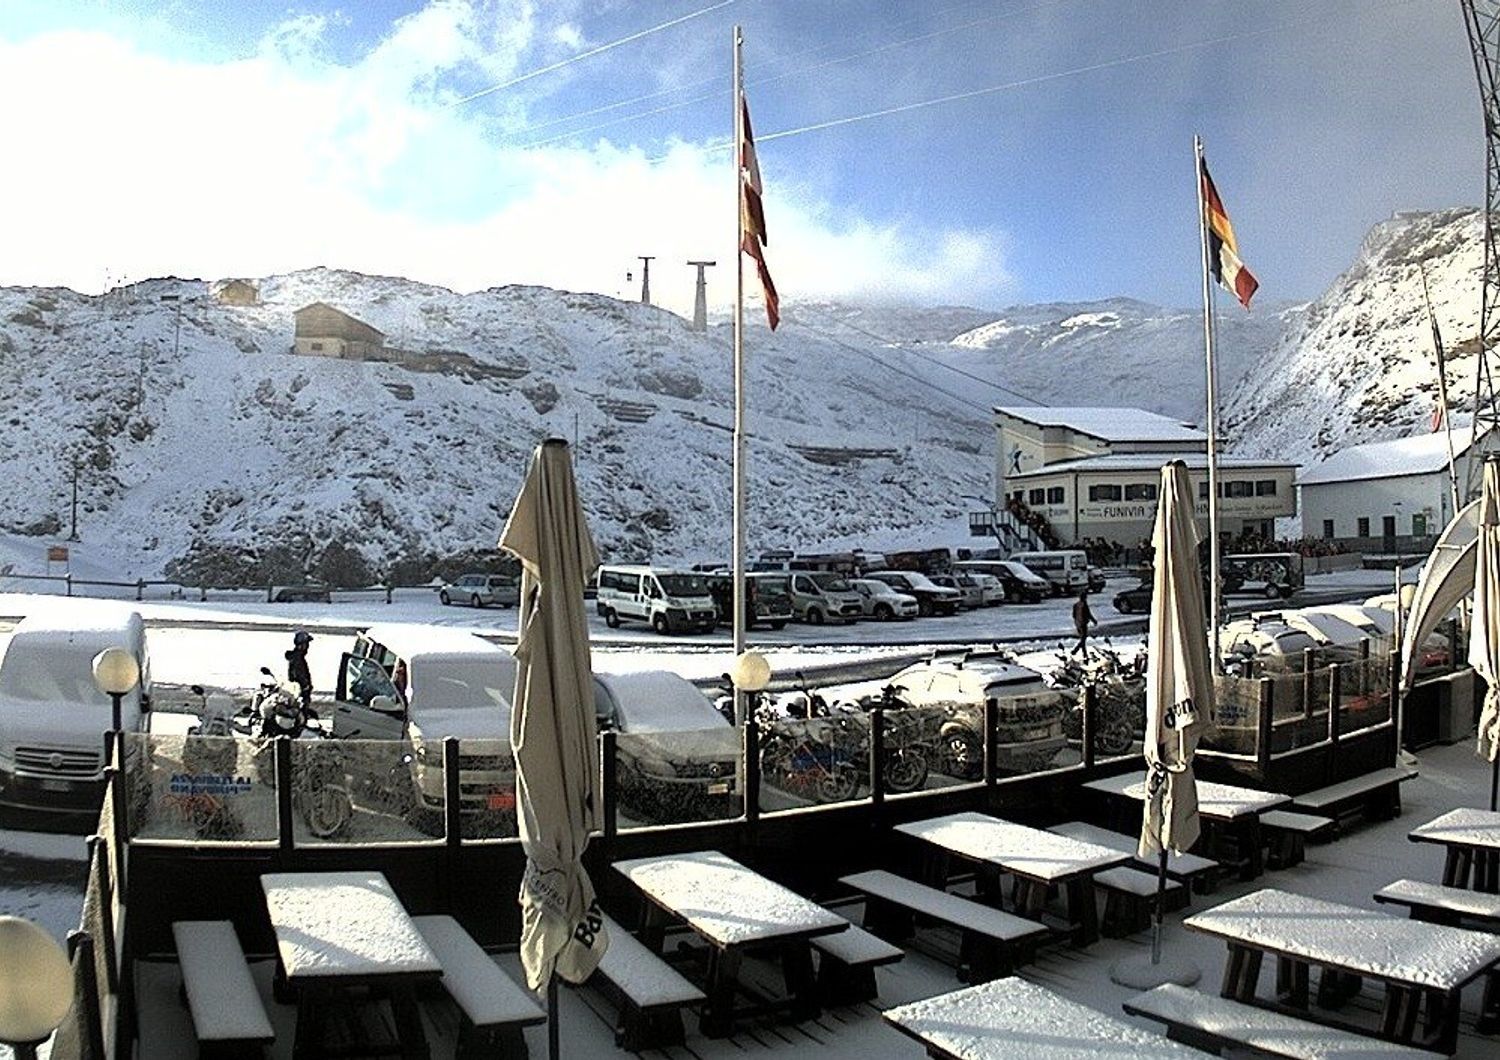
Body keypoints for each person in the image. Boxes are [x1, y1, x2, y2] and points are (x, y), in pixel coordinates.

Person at [286, 630, 313, 713]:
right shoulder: (297, 659)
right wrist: (305, 687)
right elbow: (298, 675)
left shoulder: (298, 657)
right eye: (306, 644)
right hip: (299, 693)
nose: (307, 647)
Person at [1071, 590, 1095, 656]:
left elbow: (1073, 615)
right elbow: (1088, 614)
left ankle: (1083, 653)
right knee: (1083, 639)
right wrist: (1093, 620)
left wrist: (1077, 621)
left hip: (1077, 623)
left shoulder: (1076, 605)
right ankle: (1076, 650)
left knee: (1083, 639)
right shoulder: (1084, 605)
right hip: (1083, 623)